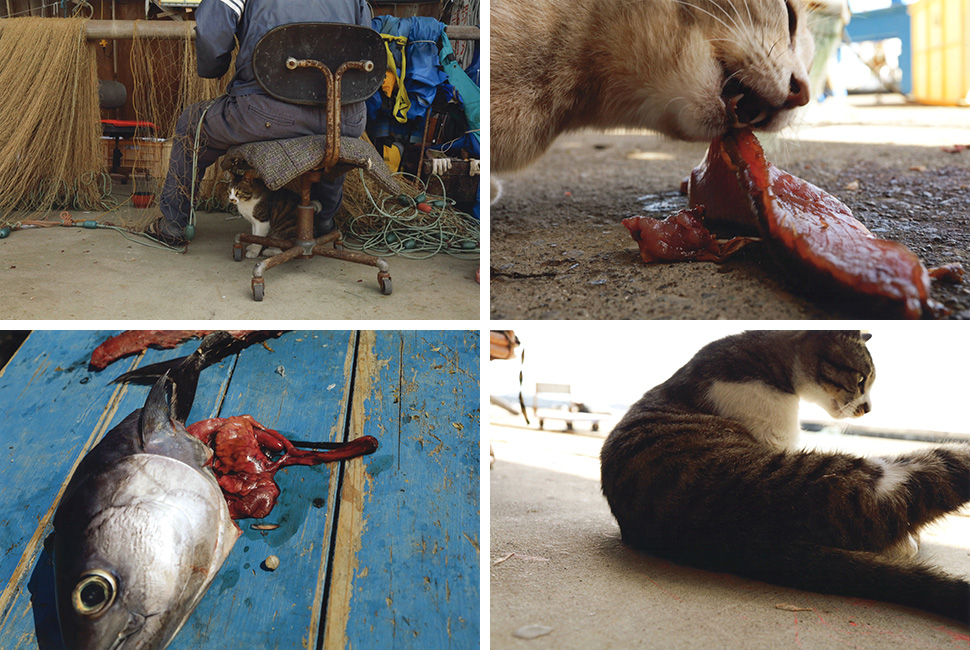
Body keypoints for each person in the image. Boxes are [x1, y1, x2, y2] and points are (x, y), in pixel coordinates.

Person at [149, 0, 372, 246]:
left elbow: (213, 40)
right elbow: (365, 47)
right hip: (344, 116)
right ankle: (322, 222)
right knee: (332, 141)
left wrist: (215, 66)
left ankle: (173, 225)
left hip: (268, 114)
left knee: (192, 124)